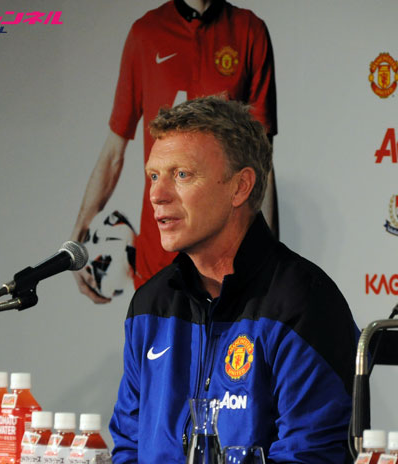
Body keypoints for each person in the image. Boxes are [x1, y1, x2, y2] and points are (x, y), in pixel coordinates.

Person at [108, 96, 358, 464]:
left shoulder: (302, 301)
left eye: (181, 174)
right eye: (153, 175)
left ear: (240, 187)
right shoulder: (150, 304)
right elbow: (128, 452)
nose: (157, 194)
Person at [71, 0, 278, 303]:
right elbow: (113, 153)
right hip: (158, 261)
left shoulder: (249, 31)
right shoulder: (146, 33)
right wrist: (76, 240)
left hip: (227, 262)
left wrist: (269, 258)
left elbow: (262, 164)